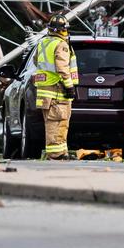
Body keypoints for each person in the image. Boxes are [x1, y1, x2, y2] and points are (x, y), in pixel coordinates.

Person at [32, 15, 79, 160]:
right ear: (62, 30)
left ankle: (61, 152)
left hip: (45, 91)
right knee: (56, 122)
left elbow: (35, 61)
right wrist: (70, 86)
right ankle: (55, 154)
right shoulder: (61, 44)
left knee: (59, 122)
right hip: (57, 90)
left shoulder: (43, 42)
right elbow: (62, 68)